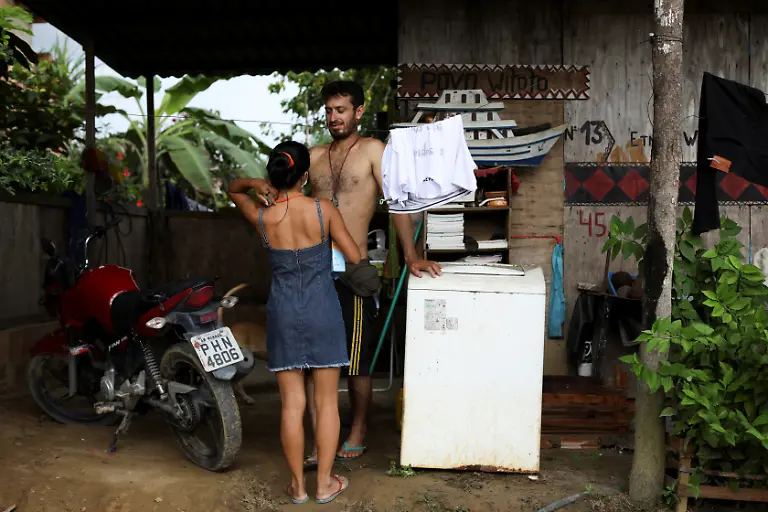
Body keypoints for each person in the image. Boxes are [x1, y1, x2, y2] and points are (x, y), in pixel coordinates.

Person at [247, 80, 443, 465]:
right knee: (312, 361)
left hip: (353, 270)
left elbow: (399, 204)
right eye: (329, 110)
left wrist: (410, 255)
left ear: (359, 111)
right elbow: (279, 192)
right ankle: (319, 441)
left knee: (356, 359)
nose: (334, 117)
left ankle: (358, 428)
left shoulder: (373, 151)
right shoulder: (313, 157)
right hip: (313, 270)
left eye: (341, 110)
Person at [228, 141, 360, 505]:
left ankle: (298, 487)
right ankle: (324, 486)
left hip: (283, 313)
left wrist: (255, 183)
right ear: (304, 176)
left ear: (273, 175)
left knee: (291, 405)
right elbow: (353, 256)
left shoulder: (261, 217)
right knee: (328, 403)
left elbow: (232, 189)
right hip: (322, 310)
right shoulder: (324, 210)